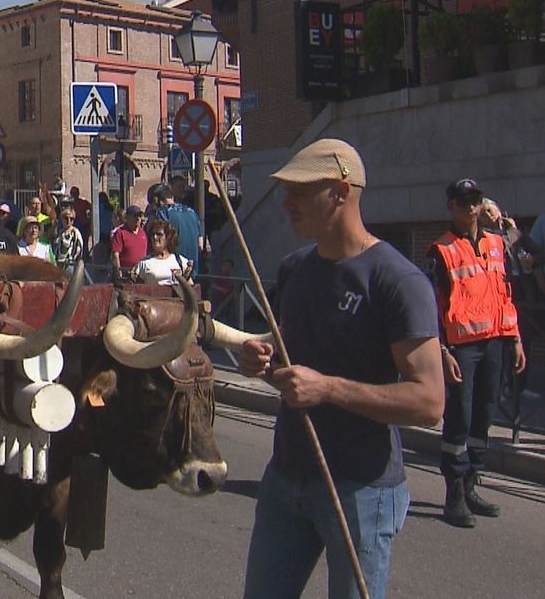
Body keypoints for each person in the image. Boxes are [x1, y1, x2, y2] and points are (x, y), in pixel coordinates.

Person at [237, 138, 443, 599]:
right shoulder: (294, 269)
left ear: (341, 192)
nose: (286, 203)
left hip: (361, 490)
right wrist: (261, 357)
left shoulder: (397, 280)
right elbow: (293, 358)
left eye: (300, 192)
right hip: (286, 478)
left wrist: (327, 388)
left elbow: (429, 401)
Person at [427, 179, 525, 528]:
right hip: (462, 347)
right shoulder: (442, 249)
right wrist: (442, 350)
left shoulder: (497, 243)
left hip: (496, 341)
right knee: (460, 414)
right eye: (465, 202)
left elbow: (505, 292)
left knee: (484, 413)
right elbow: (435, 307)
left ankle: (471, 483)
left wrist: (514, 338)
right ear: (451, 205)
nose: (471, 208)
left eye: (476, 201)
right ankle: (453, 492)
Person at [149, 182, 203, 265]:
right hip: (192, 268)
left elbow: (157, 243)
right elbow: (200, 245)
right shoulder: (192, 212)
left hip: (172, 268)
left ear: (156, 200)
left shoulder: (162, 213)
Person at [132, 220, 190, 286]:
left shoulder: (180, 261)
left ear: (168, 237)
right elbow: (136, 289)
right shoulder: (143, 263)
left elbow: (191, 288)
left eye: (159, 234)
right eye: (153, 234)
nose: (155, 237)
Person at [111, 204, 149, 279]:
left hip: (141, 273)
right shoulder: (120, 233)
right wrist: (118, 272)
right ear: (127, 218)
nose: (138, 218)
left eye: (139, 216)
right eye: (135, 216)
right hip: (126, 273)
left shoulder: (143, 233)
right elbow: (115, 255)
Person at [52, 206, 85, 278]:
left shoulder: (75, 232)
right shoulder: (60, 232)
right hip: (58, 264)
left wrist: (73, 260)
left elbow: (79, 248)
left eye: (71, 219)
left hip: (69, 264)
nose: (69, 220)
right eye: (66, 218)